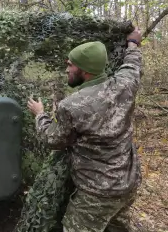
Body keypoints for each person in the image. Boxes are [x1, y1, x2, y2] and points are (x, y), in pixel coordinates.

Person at [27, 27, 144, 232]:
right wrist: (133, 43)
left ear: (85, 70)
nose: (66, 70)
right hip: (128, 184)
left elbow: (53, 141)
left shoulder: (72, 105)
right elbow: (133, 64)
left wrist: (40, 115)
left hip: (97, 193)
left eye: (71, 65)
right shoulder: (125, 85)